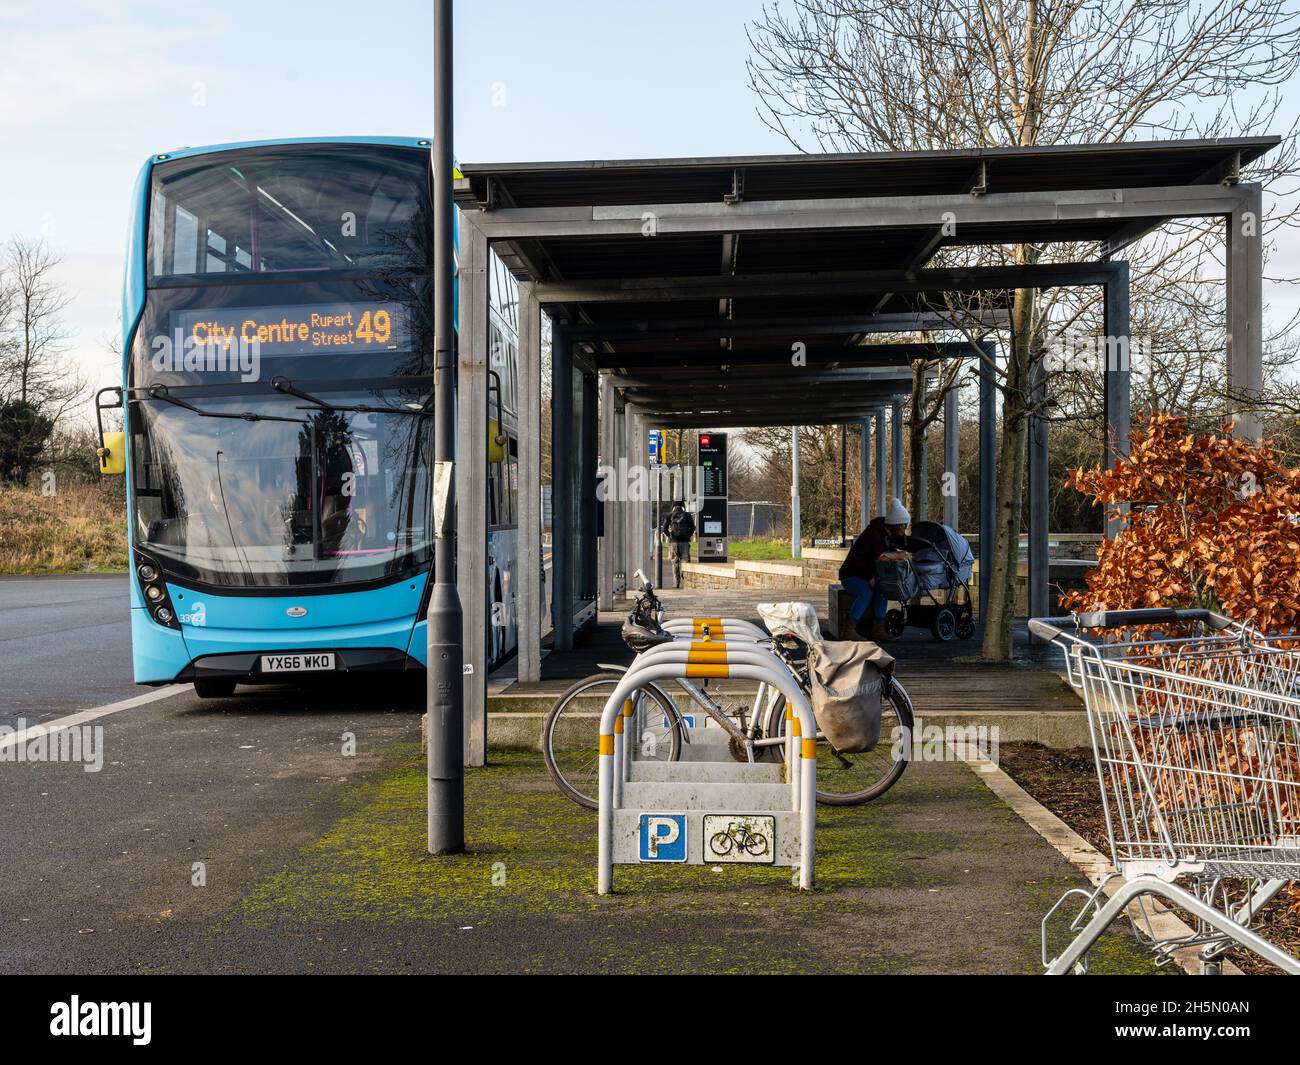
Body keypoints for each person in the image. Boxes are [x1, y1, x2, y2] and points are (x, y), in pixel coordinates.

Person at [839, 497, 912, 641]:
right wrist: (869, 577)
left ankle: (878, 628)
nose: (904, 530)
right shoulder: (873, 535)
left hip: (866, 575)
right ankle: (849, 630)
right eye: (903, 526)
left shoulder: (886, 534)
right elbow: (868, 558)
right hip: (851, 575)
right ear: (895, 525)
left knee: (882, 590)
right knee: (866, 592)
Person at [660, 500, 696, 589]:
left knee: (674, 563)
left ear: (674, 506)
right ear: (683, 506)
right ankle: (686, 580)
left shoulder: (669, 515)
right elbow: (693, 527)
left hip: (673, 543)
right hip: (684, 542)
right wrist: (688, 536)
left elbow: (664, 529)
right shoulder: (687, 515)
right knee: (685, 562)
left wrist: (670, 536)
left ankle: (676, 583)